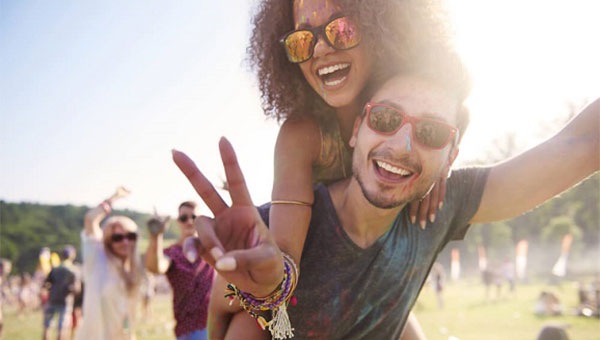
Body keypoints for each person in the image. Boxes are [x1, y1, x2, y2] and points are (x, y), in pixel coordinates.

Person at [173, 60, 599, 338]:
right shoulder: (277, 236)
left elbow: (581, 144)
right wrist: (268, 294)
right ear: (357, 128)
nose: (402, 144)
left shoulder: (442, 209)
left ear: (451, 156)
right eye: (386, 119)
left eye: (431, 133)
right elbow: (230, 321)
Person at [214, 0, 454, 337]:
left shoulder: (425, 113)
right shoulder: (301, 135)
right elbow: (285, 262)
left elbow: (459, 102)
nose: (322, 49)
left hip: (372, 288)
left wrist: (436, 167)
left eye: (342, 30)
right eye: (302, 41)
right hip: (301, 297)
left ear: (381, 30)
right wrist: (264, 277)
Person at [75, 186, 142, 340]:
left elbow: (126, 313)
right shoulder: (97, 257)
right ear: (108, 241)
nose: (125, 242)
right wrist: (114, 198)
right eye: (117, 237)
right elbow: (90, 220)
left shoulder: (131, 268)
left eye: (130, 236)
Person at [144, 201, 215, 340]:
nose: (189, 221)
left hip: (212, 322)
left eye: (194, 217)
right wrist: (156, 236)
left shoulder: (210, 247)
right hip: (187, 328)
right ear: (178, 221)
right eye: (184, 218)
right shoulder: (173, 252)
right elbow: (156, 267)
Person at [42, 245, 77, 340]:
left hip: (52, 299)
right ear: (72, 256)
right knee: (62, 328)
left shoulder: (54, 269)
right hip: (65, 301)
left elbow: (45, 284)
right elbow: (76, 288)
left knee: (47, 326)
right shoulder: (73, 270)